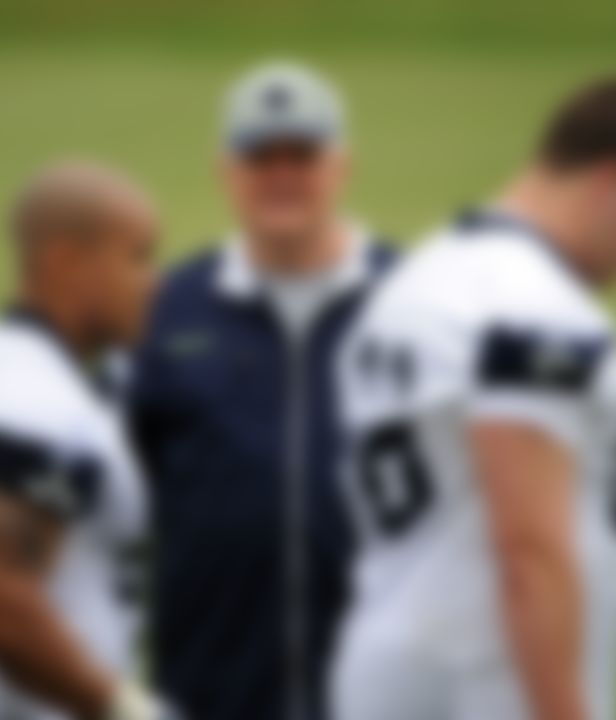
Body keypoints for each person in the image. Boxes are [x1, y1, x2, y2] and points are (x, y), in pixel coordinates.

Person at [330, 78, 616, 720]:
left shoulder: (413, 281)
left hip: (384, 670)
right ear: (611, 179)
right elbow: (529, 552)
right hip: (489, 684)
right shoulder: (535, 309)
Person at [130, 62, 394, 720]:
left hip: (388, 691)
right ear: (224, 170)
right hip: (209, 689)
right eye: (258, 156)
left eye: (302, 154)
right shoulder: (167, 308)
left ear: (342, 166)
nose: (281, 175)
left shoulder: (412, 300)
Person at [0, 162, 173, 720]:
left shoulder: (4, 360)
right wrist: (128, 709)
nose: (155, 281)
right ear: (65, 260)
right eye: (138, 256)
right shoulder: (29, 398)